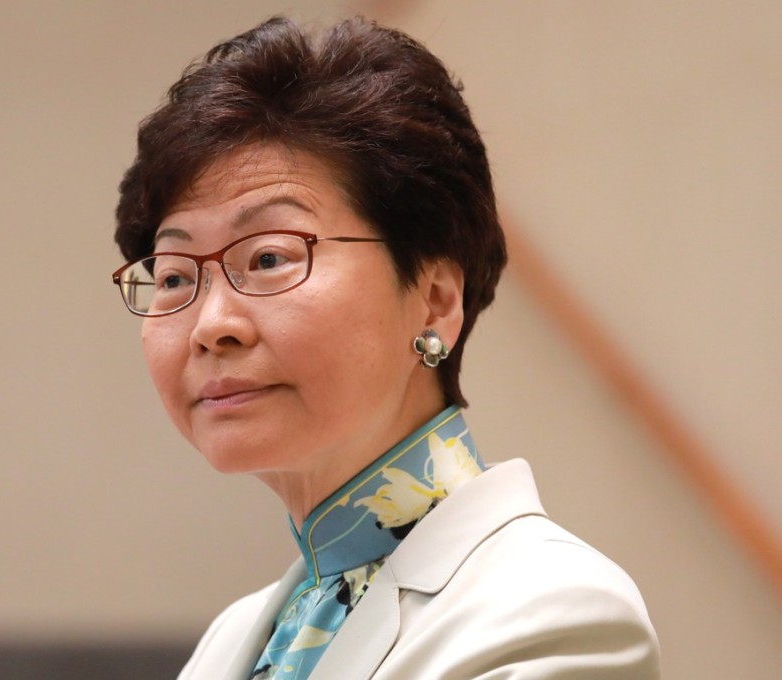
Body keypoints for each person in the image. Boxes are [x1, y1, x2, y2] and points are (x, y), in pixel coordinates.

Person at [112, 16, 660, 680]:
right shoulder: (233, 641)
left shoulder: (551, 612)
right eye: (174, 276)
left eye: (269, 258)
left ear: (434, 301)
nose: (211, 323)